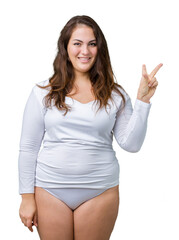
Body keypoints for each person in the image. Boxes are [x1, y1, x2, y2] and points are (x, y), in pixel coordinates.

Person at [18, 15, 163, 240]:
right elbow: (28, 147)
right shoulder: (42, 92)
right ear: (65, 48)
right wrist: (26, 197)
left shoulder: (117, 95)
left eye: (92, 44)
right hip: (50, 191)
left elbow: (132, 144)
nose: (84, 51)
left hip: (99, 191)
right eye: (77, 43)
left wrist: (142, 101)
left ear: (99, 49)